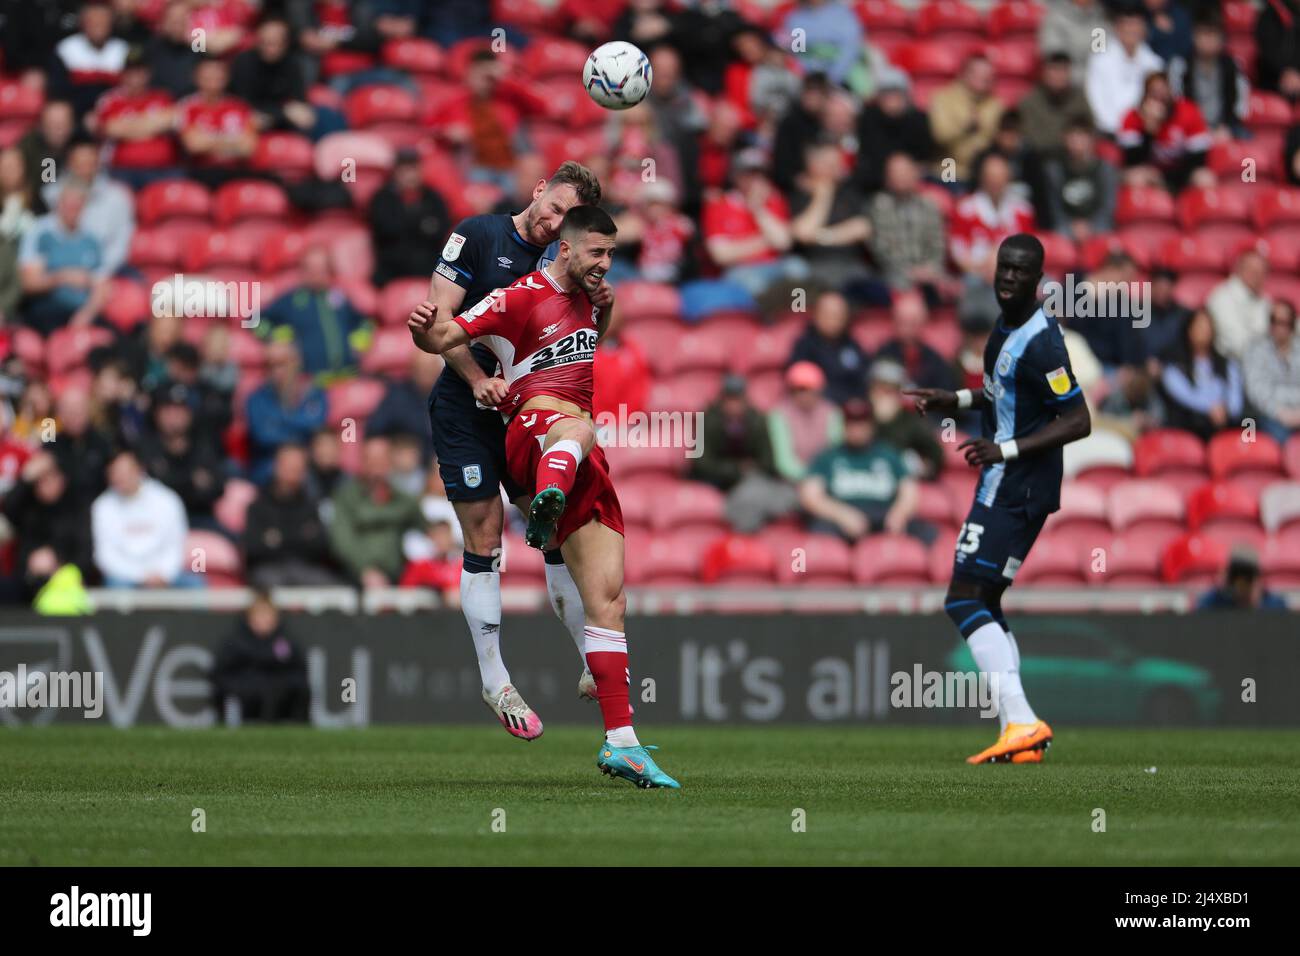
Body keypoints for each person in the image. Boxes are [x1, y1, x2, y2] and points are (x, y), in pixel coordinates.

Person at [418, 204, 680, 789]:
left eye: (612, 255)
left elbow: (587, 342)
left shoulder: (594, 298)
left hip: (581, 452)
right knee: (580, 430)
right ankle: (547, 501)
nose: (606, 264)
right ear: (565, 247)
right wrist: (423, 329)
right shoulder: (520, 295)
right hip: (536, 431)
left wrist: (604, 312)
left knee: (609, 599)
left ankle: (622, 743)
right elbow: (445, 331)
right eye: (597, 253)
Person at [407, 160, 603, 739]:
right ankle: (495, 680)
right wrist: (475, 380)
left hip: (525, 409)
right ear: (539, 190)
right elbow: (438, 324)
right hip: (466, 409)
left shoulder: (566, 261)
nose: (556, 223)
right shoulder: (477, 235)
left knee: (555, 523)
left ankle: (593, 658)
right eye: (555, 207)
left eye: (570, 219)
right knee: (485, 535)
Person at [906, 234, 1091, 765]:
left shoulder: (1043, 341)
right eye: (1003, 267)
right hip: (1009, 481)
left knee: (962, 599)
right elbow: (1004, 393)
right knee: (984, 600)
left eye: (1020, 270)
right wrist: (956, 398)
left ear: (1038, 278)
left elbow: (1077, 419)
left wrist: (1005, 449)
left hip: (1016, 485)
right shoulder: (1005, 326)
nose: (1008, 277)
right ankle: (1019, 730)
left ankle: (1024, 719)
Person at [799, 397, 921, 542]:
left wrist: (899, 514)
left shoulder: (889, 454)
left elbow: (909, 490)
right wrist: (842, 515)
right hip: (841, 516)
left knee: (925, 532)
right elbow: (810, 496)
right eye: (851, 423)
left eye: (862, 423)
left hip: (883, 515)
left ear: (871, 425)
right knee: (820, 532)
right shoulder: (828, 456)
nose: (856, 429)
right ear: (843, 425)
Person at [260, 246, 372, 382]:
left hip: (347, 378)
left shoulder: (340, 298)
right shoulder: (291, 301)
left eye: (322, 268)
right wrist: (276, 337)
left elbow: (365, 323)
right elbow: (253, 321)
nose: (317, 274)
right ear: (302, 271)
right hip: (310, 384)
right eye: (311, 268)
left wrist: (360, 342)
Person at [91, 447, 196, 589]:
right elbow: (105, 555)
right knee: (115, 585)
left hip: (166, 574)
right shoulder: (102, 506)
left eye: (125, 471)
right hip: (125, 577)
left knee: (195, 584)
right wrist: (140, 576)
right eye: (114, 472)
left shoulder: (167, 500)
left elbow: (177, 546)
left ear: (140, 469)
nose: (120, 477)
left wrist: (163, 574)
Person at [17, 186, 111, 336]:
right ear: (59, 205)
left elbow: (102, 286)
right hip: (47, 310)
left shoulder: (92, 240)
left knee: (114, 340)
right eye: (69, 205)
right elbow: (29, 282)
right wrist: (62, 277)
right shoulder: (41, 233)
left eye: (77, 206)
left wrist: (85, 315)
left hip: (82, 311)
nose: (72, 211)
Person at [243, 443, 340, 588]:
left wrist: (276, 539)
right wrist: (301, 537)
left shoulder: (312, 506)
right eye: (289, 468)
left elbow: (323, 546)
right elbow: (252, 548)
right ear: (276, 467)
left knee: (333, 588)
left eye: (298, 469)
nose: (292, 474)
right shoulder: (257, 507)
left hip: (306, 571)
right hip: (269, 572)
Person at [210, 591, 310, 723]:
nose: (263, 620)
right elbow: (220, 673)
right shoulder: (237, 642)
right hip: (247, 688)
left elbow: (298, 669)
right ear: (250, 617)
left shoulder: (284, 641)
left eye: (267, 615)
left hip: (278, 688)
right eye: (259, 615)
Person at [245, 339, 328, 484]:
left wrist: (278, 420)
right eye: (270, 365)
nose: (276, 371)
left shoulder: (314, 393)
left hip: (308, 468)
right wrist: (300, 427)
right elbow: (263, 436)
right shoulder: (256, 398)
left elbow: (317, 427)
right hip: (268, 472)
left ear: (296, 362)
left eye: (281, 363)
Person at [369, 147, 452, 287]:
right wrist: (421, 224)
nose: (410, 175)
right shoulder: (382, 198)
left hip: (428, 266)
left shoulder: (433, 197)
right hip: (393, 270)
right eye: (405, 170)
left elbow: (440, 231)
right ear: (395, 173)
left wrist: (409, 222)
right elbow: (387, 230)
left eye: (413, 169)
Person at [1161, 308, 1244, 439]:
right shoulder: (1175, 367)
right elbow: (1184, 395)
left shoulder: (1227, 364)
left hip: (1224, 420)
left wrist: (1225, 410)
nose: (1204, 331)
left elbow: (1235, 399)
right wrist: (1209, 408)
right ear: (1189, 330)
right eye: (1199, 326)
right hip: (1193, 422)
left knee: (1249, 424)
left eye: (1208, 326)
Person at [1086, 5, 1165, 135]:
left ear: (1144, 29)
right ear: (1117, 27)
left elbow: (1159, 103)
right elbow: (1096, 103)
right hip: (1109, 132)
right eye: (1127, 24)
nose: (1131, 29)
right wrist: (1121, 129)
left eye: (1136, 24)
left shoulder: (1155, 64)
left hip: (1146, 133)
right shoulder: (1099, 60)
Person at [929, 54, 1003, 183]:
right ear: (964, 74)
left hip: (982, 170)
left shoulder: (996, 104)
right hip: (950, 163)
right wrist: (965, 126)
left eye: (988, 75)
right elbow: (940, 136)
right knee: (950, 183)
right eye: (979, 73)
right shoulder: (944, 98)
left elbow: (998, 138)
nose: (985, 78)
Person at [785, 290, 869, 404]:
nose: (834, 320)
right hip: (818, 409)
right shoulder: (804, 346)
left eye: (839, 315)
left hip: (852, 411)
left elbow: (863, 379)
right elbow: (801, 386)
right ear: (816, 315)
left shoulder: (852, 345)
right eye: (829, 314)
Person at [768, 361, 842, 482]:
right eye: (799, 389)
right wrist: (809, 476)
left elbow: (836, 451)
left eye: (809, 389)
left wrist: (822, 476)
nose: (804, 394)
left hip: (827, 477)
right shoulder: (779, 415)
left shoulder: (832, 412)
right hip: (791, 481)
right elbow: (784, 461)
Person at [1243, 299, 1300, 441]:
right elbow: (1257, 392)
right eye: (1274, 321)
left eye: (1283, 322)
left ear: (1292, 325)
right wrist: (1280, 413)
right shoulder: (1256, 349)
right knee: (1281, 438)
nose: (1277, 327)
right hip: (1269, 414)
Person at [1207, 249, 1270, 362]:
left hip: (1263, 363)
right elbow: (1235, 344)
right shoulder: (1222, 297)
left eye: (1262, 273)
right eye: (1253, 272)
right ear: (1239, 270)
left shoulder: (1264, 299)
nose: (1258, 277)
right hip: (1230, 365)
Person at [1196, 548, 1288, 611]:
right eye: (1237, 575)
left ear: (1258, 576)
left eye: (1248, 575)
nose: (1242, 581)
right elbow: (1200, 611)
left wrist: (1255, 602)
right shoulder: (1216, 601)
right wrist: (1221, 588)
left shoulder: (1275, 604)